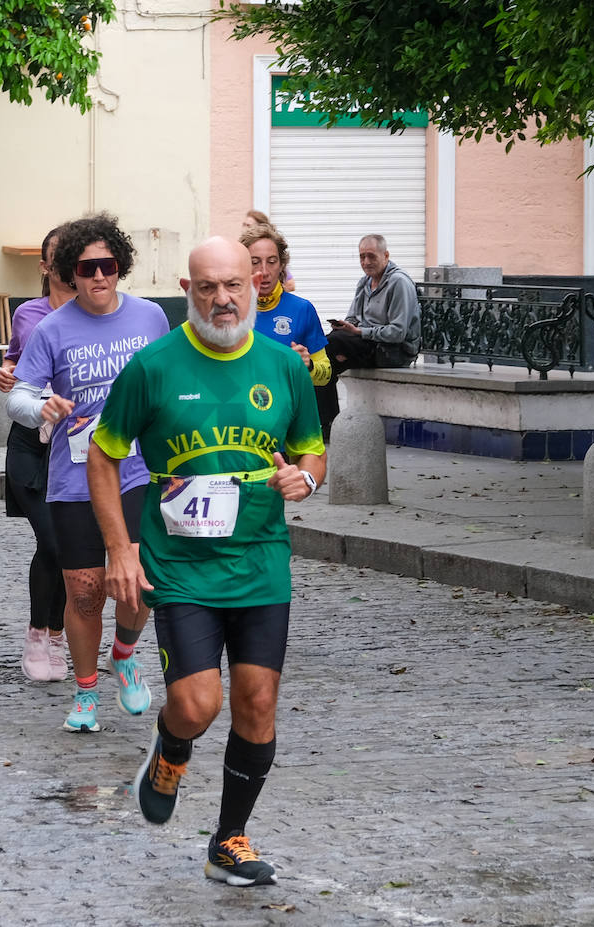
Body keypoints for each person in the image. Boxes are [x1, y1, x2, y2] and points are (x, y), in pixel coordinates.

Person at [87, 236, 326, 886]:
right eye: (207, 287)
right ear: (188, 291)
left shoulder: (283, 366)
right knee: (196, 705)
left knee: (258, 699)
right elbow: (103, 454)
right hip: (180, 563)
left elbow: (311, 448)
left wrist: (306, 477)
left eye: (233, 285)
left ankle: (229, 839)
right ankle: (171, 746)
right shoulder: (154, 366)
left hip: (260, 558)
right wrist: (119, 549)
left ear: (256, 285)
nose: (223, 299)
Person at [6, 213, 169, 732]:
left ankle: (124, 653)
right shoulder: (51, 329)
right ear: (68, 274)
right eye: (87, 268)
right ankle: (85, 692)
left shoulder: (150, 318)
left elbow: (169, 382)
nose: (99, 276)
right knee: (84, 593)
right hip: (74, 479)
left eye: (109, 265)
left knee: (139, 583)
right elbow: (18, 398)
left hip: (137, 472)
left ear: (121, 266)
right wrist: (42, 409)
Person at [0, 225, 72, 682]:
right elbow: (16, 361)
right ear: (44, 266)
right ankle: (37, 633)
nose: (67, 262)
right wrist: (7, 373)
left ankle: (56, 636)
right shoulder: (29, 313)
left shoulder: (96, 313)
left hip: (76, 446)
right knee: (53, 540)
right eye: (58, 255)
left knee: (66, 546)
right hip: (32, 442)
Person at [315, 233, 421, 441]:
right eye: (362, 256)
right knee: (323, 359)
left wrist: (358, 333)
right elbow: (353, 318)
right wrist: (346, 327)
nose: (366, 262)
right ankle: (328, 424)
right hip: (367, 345)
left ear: (386, 255)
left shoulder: (399, 283)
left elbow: (398, 333)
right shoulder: (364, 282)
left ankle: (330, 425)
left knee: (331, 347)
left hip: (393, 351)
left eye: (371, 256)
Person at [241, 223, 332, 387]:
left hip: (287, 402)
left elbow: (326, 374)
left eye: (272, 261)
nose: (264, 271)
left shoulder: (302, 309)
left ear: (282, 265)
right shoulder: (230, 310)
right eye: (255, 262)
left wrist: (309, 366)